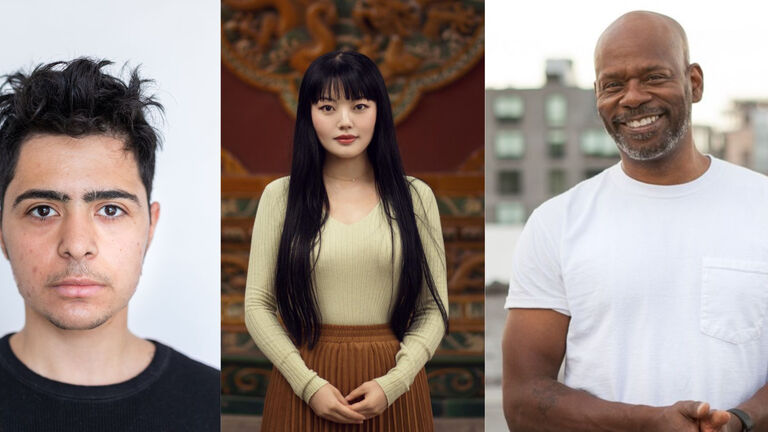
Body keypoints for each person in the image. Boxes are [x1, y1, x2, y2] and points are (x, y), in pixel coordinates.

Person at [502, 11, 767, 432]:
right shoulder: (556, 223)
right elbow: (522, 402)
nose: (631, 97)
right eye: (613, 84)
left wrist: (741, 421)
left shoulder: (762, 206)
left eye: (653, 77)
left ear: (693, 82)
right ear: (597, 96)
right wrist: (648, 423)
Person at [0, 58, 219, 431]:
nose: (77, 245)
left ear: (150, 228)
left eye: (111, 209)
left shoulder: (212, 403)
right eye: (42, 210)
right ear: (2, 232)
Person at [245, 50, 449, 431]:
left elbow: (432, 309)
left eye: (359, 105)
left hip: (393, 388)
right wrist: (308, 385)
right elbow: (257, 305)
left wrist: (394, 383)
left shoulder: (415, 197)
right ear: (309, 115)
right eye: (327, 107)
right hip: (303, 382)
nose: (345, 122)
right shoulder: (280, 197)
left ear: (379, 111)